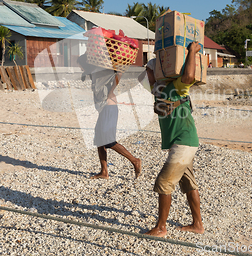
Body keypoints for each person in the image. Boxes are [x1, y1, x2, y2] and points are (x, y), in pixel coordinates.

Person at [144, 42, 204, 237]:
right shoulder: (158, 91)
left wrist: (192, 52)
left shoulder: (175, 88)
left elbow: (189, 77)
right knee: (188, 183)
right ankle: (197, 225)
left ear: (158, 73)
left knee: (164, 182)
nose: (147, 75)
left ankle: (161, 227)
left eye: (149, 71)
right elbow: (151, 84)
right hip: (182, 142)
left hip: (184, 142)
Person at [77, 54, 141, 179]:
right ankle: (104, 172)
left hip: (109, 107)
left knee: (108, 141)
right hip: (103, 109)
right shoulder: (93, 72)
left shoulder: (102, 69)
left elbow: (119, 73)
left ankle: (135, 161)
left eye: (80, 66)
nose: (80, 69)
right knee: (99, 140)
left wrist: (112, 91)